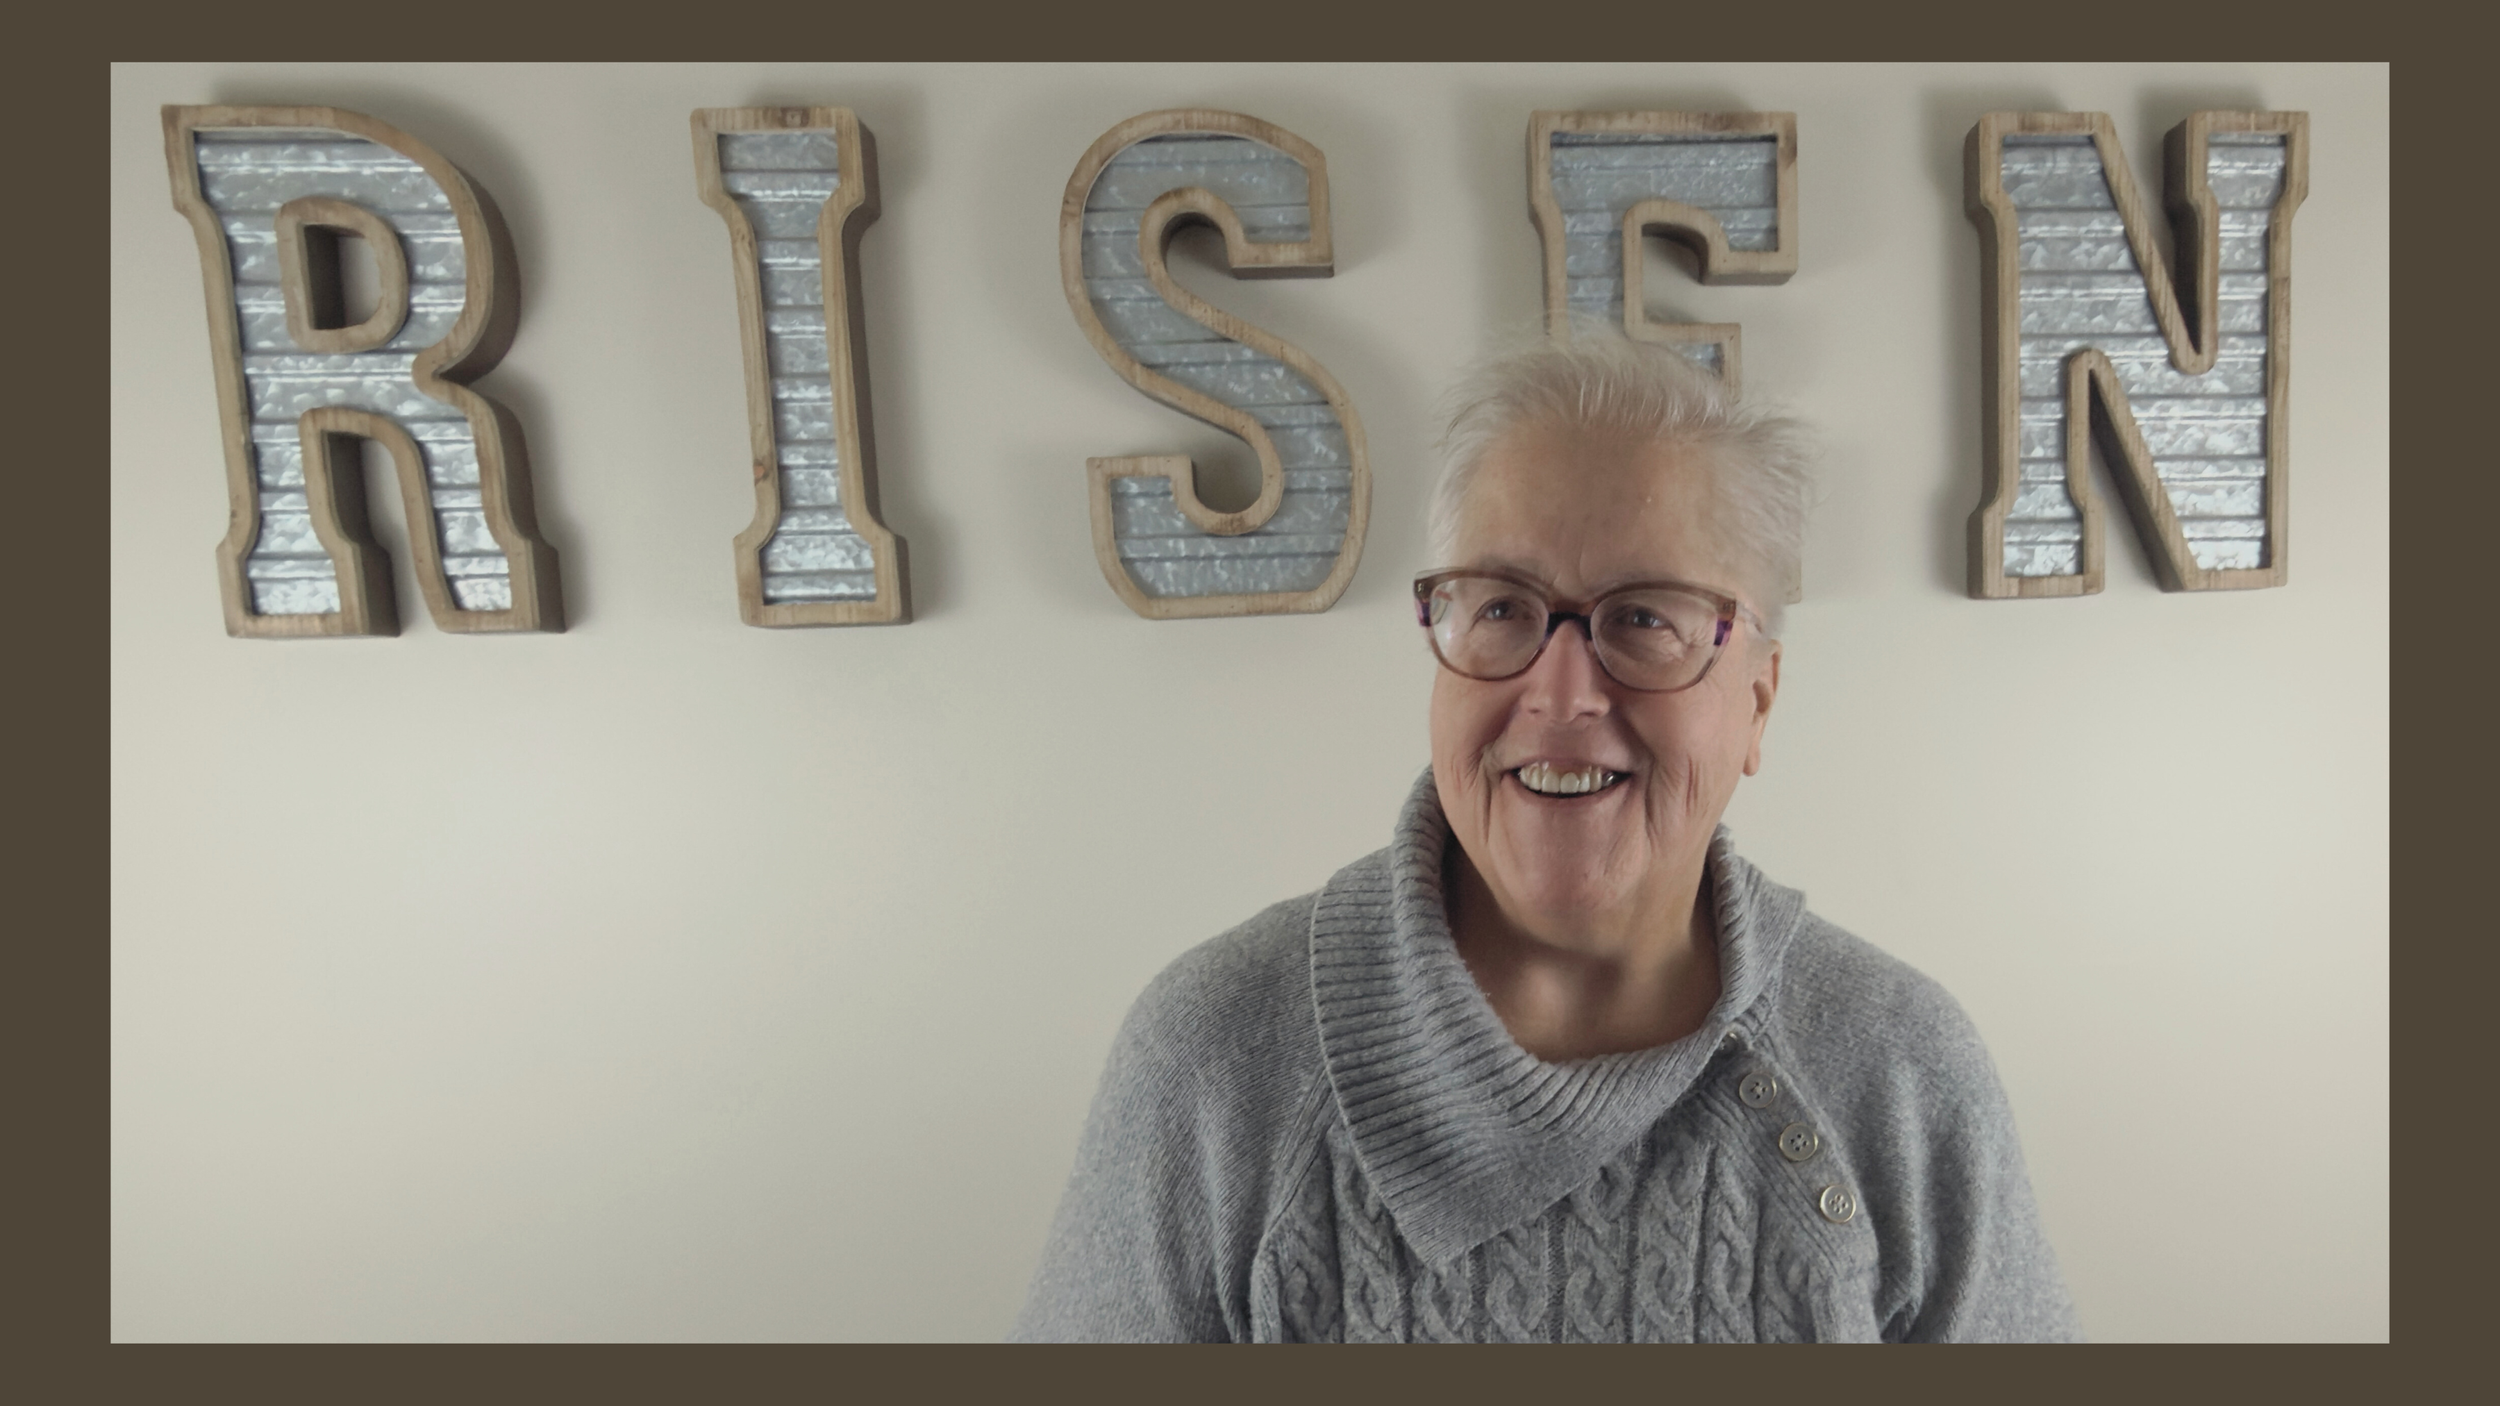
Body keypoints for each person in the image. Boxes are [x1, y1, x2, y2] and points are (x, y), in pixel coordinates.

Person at [1012, 330, 2080, 1342]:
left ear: (1757, 698)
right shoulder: (1214, 1061)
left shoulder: (1898, 1076)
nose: (1561, 693)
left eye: (1646, 618)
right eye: (1501, 610)